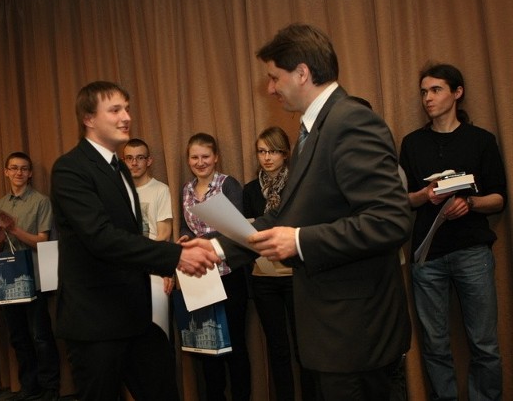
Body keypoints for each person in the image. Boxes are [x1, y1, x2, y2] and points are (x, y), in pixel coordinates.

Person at [183, 23, 412, 400]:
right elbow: (283, 219)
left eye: (275, 77)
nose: (270, 88)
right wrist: (215, 248)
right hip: (333, 331)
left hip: (357, 333)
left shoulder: (350, 121)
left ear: (302, 72)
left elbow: (390, 220)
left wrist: (301, 240)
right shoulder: (312, 132)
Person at [50, 81, 219, 401]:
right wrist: (174, 256)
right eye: (115, 110)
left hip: (134, 315)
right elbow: (101, 238)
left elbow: (128, 238)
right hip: (94, 321)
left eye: (127, 108)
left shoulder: (120, 170)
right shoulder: (70, 169)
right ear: (88, 118)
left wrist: (175, 251)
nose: (126, 116)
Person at [399, 63, 506, 400]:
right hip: (427, 257)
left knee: (484, 345)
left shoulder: (481, 140)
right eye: (424, 91)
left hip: (472, 252)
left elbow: (499, 198)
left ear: (457, 93)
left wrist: (470, 204)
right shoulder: (412, 143)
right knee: (434, 346)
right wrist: (425, 195)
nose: (427, 98)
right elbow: (403, 200)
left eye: (436, 90)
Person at [243, 126, 314, 401]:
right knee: (277, 349)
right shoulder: (250, 190)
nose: (267, 157)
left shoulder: (298, 183)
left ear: (285, 154)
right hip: (263, 277)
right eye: (262, 151)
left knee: (303, 346)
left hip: (295, 274)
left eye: (272, 151)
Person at [179, 132, 251, 401]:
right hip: (199, 276)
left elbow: (236, 227)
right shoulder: (185, 189)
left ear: (216, 157)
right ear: (188, 159)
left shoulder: (228, 184)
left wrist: (200, 242)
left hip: (228, 272)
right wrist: (186, 237)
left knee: (235, 343)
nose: (200, 162)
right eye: (194, 157)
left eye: (205, 156)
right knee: (208, 347)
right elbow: (186, 226)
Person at [0, 151, 61, 401]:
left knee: (41, 336)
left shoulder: (41, 201)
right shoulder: (0, 205)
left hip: (36, 277)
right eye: (14, 168)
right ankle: (29, 387)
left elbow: (42, 241)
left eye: (24, 168)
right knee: (18, 337)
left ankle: (50, 388)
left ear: (30, 173)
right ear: (6, 172)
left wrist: (14, 229)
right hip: (8, 278)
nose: (19, 172)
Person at [123, 138, 175, 335]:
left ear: (149, 161)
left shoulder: (160, 190)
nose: (134, 163)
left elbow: (164, 235)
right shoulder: (119, 192)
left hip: (152, 268)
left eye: (140, 158)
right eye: (129, 158)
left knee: (157, 333)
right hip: (125, 270)